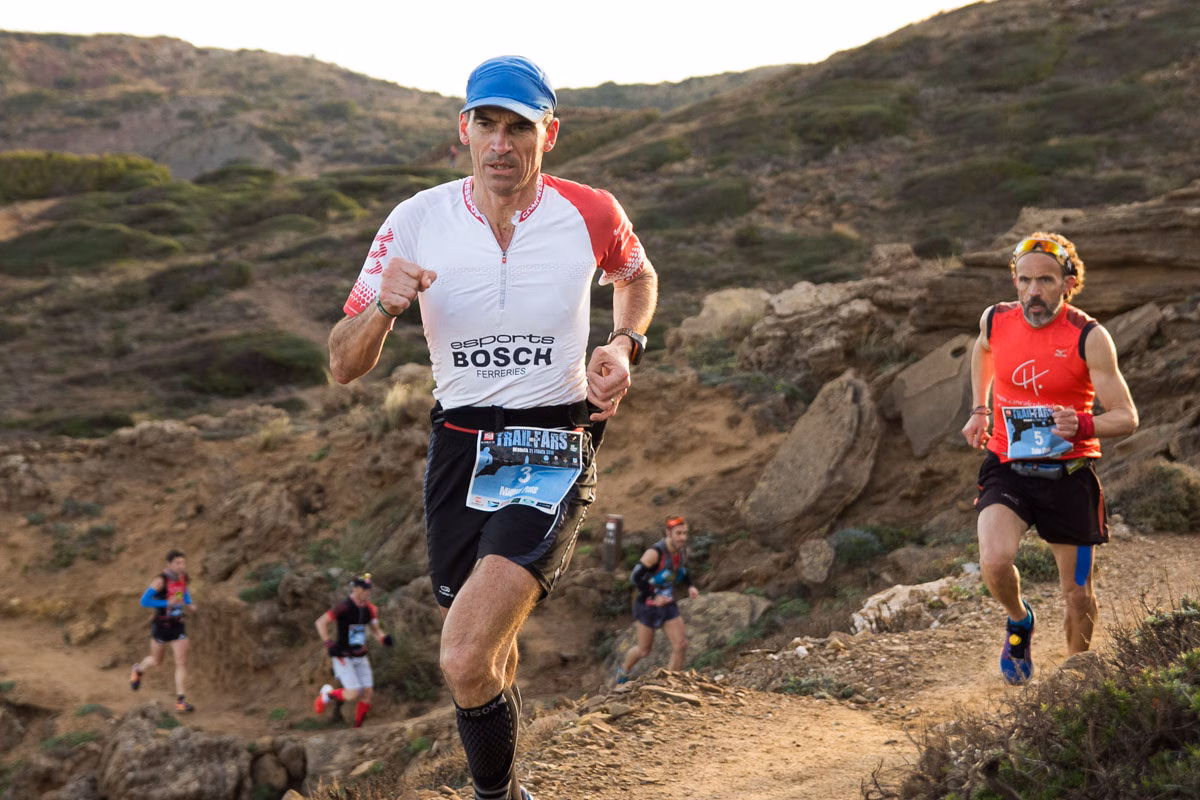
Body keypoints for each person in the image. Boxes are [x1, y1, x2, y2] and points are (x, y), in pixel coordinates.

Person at [327, 54, 656, 800]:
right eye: (487, 124)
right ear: (464, 130)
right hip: (460, 443)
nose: (501, 143)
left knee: (464, 654)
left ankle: (495, 797)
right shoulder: (416, 220)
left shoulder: (590, 210)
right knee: (485, 653)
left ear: (550, 134)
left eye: (519, 127)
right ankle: (511, 786)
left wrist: (622, 342)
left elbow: (636, 275)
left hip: (552, 438)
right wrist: (384, 305)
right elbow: (343, 363)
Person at [961, 232, 1138, 684]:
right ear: (1015, 281)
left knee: (1078, 595)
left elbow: (1127, 417)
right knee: (995, 561)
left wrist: (1082, 424)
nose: (1033, 292)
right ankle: (1020, 621)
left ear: (1068, 282)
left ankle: (1073, 683)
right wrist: (981, 408)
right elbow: (981, 353)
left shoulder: (1089, 337)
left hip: (1069, 476)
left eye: (1045, 280)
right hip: (1007, 467)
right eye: (1025, 280)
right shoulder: (995, 320)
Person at [616, 515, 700, 683]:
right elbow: (635, 578)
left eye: (685, 533)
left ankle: (669, 683)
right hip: (647, 606)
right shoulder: (654, 553)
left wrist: (690, 585)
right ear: (668, 533)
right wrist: (653, 596)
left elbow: (681, 570)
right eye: (678, 533)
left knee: (681, 645)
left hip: (668, 605)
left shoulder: (681, 551)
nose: (683, 537)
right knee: (644, 650)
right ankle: (623, 671)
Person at [313, 573, 392, 728]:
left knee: (367, 693)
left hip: (361, 655)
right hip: (343, 656)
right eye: (364, 589)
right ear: (355, 589)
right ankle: (327, 695)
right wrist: (329, 644)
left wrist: (383, 638)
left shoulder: (370, 609)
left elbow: (376, 630)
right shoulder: (344, 606)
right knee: (353, 693)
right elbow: (321, 622)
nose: (367, 592)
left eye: (368, 589)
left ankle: (357, 728)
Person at [129, 549, 196, 712]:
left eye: (183, 562)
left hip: (178, 625)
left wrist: (189, 602)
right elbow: (144, 601)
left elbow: (183, 591)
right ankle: (138, 670)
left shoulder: (183, 577)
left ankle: (181, 701)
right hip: (161, 626)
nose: (181, 566)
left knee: (181, 662)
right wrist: (167, 603)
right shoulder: (160, 581)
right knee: (157, 661)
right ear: (169, 564)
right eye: (178, 563)